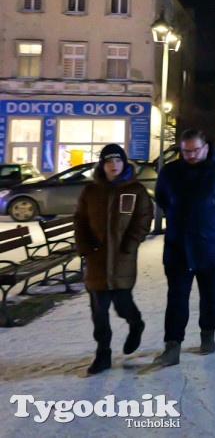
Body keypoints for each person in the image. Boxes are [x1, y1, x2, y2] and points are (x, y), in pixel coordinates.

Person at [153, 129, 215, 366]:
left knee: (211, 296)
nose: (191, 155)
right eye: (186, 151)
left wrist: (211, 219)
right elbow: (162, 198)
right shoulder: (170, 172)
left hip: (210, 245)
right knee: (177, 298)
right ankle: (172, 346)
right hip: (177, 245)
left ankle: (208, 336)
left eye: (195, 150)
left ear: (206, 147)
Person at [73, 144, 154, 375]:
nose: (113, 165)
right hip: (97, 259)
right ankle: (103, 351)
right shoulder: (90, 191)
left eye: (118, 161)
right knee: (98, 310)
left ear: (124, 163)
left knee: (122, 304)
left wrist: (129, 244)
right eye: (109, 161)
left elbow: (143, 219)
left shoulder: (135, 190)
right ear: (102, 164)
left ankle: (135, 324)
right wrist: (85, 247)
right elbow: (79, 220)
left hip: (121, 259)